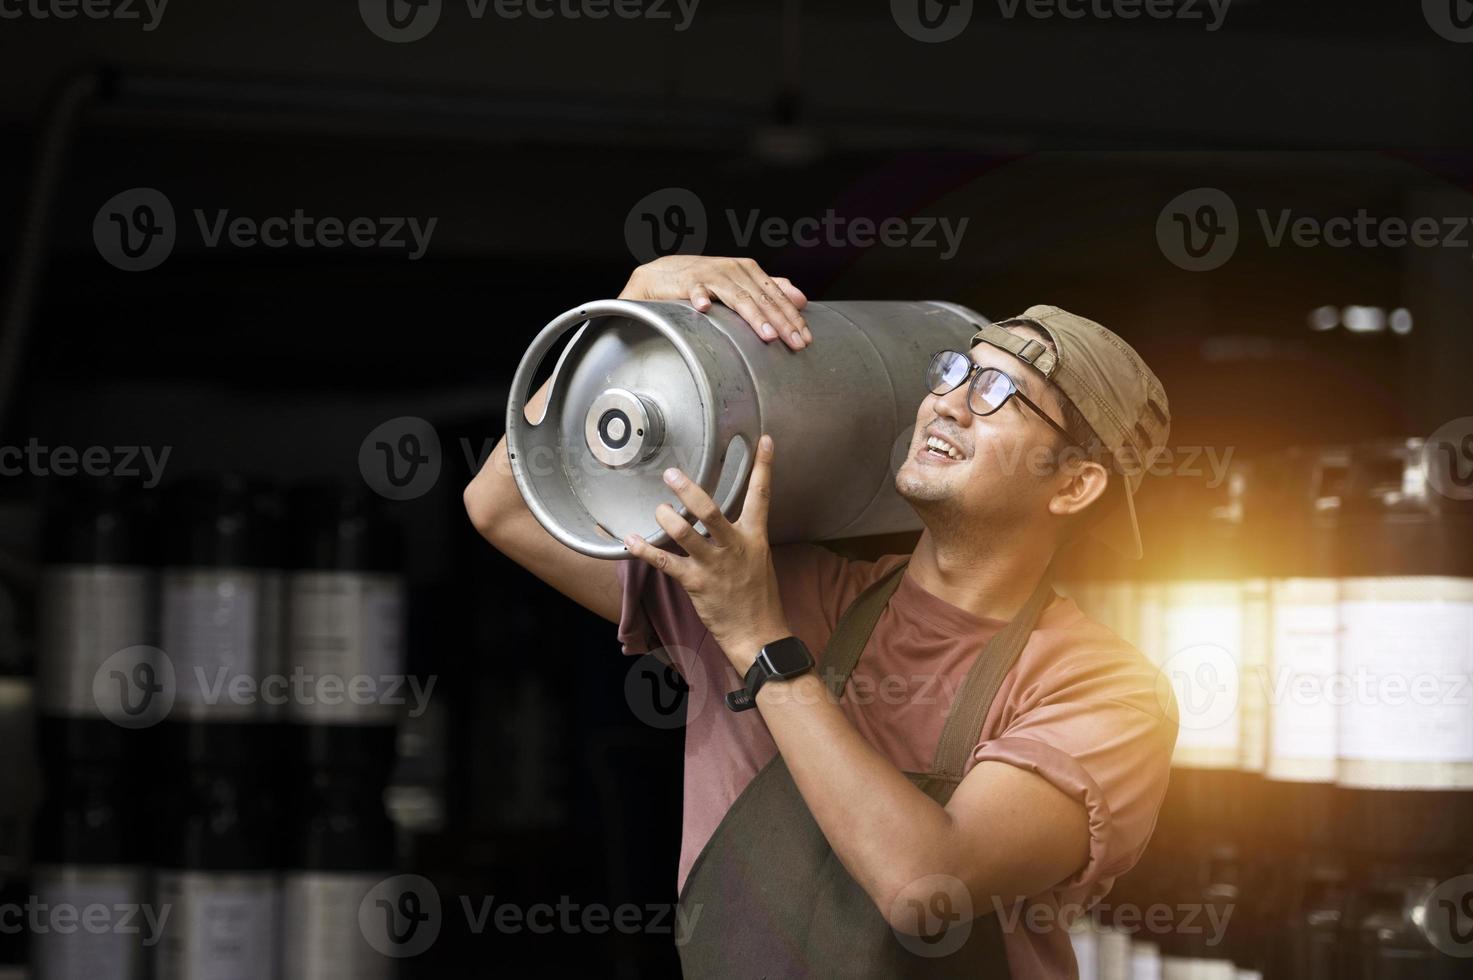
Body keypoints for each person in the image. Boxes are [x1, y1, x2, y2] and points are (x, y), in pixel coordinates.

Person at [464, 254, 1178, 978]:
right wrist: (630, 319)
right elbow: (504, 508)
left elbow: (922, 887)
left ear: (1074, 484)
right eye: (952, 373)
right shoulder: (781, 587)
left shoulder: (1102, 691)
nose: (947, 403)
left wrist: (758, 641)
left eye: (997, 392)